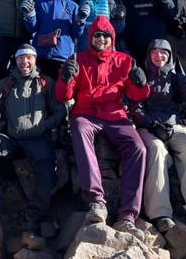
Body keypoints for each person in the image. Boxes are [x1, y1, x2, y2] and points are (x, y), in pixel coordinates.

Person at [55, 16, 149, 241]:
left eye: (106, 36)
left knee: (139, 148)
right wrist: (66, 78)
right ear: (91, 38)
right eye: (97, 35)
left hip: (115, 114)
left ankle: (127, 215)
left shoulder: (125, 61)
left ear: (112, 38)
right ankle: (97, 201)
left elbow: (137, 95)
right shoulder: (78, 58)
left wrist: (141, 83)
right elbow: (63, 96)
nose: (102, 39)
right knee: (78, 129)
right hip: (86, 113)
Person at [129, 40, 186, 245]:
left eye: (164, 53)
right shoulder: (142, 76)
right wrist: (151, 124)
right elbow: (135, 107)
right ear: (148, 55)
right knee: (156, 150)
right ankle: (160, 214)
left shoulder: (176, 78)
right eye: (154, 52)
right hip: (150, 127)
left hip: (174, 126)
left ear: (170, 56)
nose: (159, 56)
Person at [0, 44, 66, 250]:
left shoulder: (46, 83)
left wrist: (44, 126)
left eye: (29, 58)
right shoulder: (5, 84)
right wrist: (2, 127)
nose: (25, 62)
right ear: (15, 61)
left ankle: (31, 224)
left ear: (35, 61)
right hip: (10, 137)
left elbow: (60, 112)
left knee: (46, 171)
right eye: (20, 58)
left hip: (37, 138)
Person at [21, 0, 83, 81]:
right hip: (41, 54)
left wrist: (80, 21)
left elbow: (76, 33)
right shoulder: (40, 2)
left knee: (59, 92)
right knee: (39, 91)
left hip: (62, 56)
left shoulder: (73, 6)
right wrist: (30, 15)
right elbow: (31, 28)